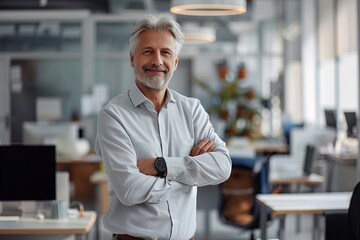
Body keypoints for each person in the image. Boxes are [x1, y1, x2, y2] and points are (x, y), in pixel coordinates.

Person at [95, 13, 231, 240]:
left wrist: (162, 166)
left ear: (175, 61)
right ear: (132, 59)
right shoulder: (112, 116)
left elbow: (223, 166)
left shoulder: (192, 110)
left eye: (166, 52)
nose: (157, 61)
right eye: (148, 51)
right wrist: (189, 178)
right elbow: (129, 190)